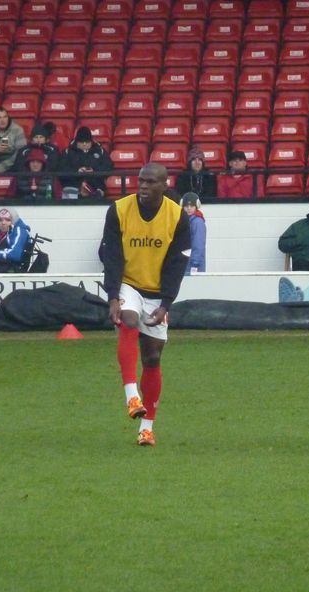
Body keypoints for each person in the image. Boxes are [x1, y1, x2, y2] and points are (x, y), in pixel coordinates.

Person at [101, 163, 191, 447]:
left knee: (152, 358)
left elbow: (178, 264)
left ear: (164, 185)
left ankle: (147, 428)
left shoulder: (177, 217)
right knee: (128, 319)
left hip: (157, 291)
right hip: (129, 282)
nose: (142, 186)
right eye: (140, 181)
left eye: (150, 182)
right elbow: (112, 256)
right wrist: (113, 296)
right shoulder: (118, 210)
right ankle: (131, 395)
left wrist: (166, 304)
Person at [60, 126, 113, 199]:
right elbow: (61, 168)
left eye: (87, 142)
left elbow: (108, 166)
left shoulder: (100, 150)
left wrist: (94, 170)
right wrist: (77, 171)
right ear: (76, 142)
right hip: (73, 186)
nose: (84, 144)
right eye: (81, 142)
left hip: (95, 186)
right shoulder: (68, 152)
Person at [181, 192, 207, 274]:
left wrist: (195, 264)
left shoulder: (197, 222)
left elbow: (198, 244)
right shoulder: (185, 221)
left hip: (193, 264)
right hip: (186, 262)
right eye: (186, 206)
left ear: (196, 206)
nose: (189, 208)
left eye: (191, 206)